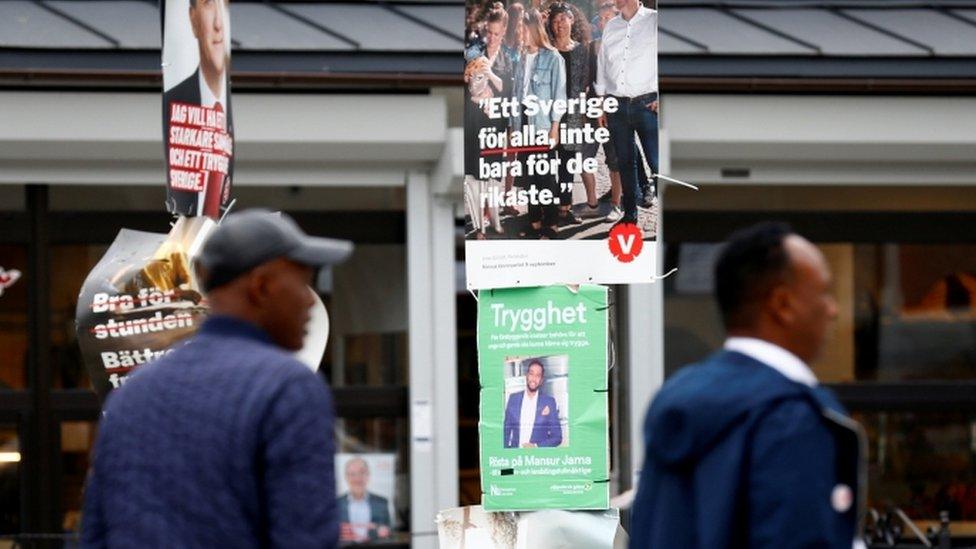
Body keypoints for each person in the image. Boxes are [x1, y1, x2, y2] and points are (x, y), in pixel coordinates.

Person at [81, 209, 353, 547]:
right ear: (262, 286)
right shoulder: (287, 388)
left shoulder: (133, 393)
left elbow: (95, 535)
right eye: (302, 283)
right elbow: (305, 538)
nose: (310, 302)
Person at [629, 222, 866, 549]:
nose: (833, 309)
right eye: (824, 292)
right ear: (782, 305)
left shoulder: (674, 397)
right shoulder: (790, 416)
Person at [163, 0, 233, 219]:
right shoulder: (176, 102)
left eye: (224, 5)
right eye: (209, 4)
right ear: (193, 19)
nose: (219, 23)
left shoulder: (225, 119)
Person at [595, 0, 658, 226]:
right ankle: (630, 214)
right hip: (616, 106)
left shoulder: (654, 20)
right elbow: (603, 64)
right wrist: (602, 102)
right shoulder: (612, 26)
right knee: (625, 162)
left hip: (647, 104)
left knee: (657, 162)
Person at [512, 8, 566, 239]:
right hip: (522, 120)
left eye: (522, 28)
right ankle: (534, 221)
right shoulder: (520, 57)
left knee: (544, 175)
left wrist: (554, 127)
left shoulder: (553, 57)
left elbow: (559, 96)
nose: (519, 33)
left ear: (533, 28)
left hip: (542, 123)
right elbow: (515, 94)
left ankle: (551, 224)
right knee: (528, 176)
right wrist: (512, 128)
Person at [546, 2, 602, 223]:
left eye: (563, 19)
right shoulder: (547, 47)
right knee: (547, 162)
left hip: (573, 114)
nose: (559, 24)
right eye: (555, 20)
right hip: (549, 114)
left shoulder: (581, 49)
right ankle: (547, 208)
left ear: (572, 20)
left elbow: (584, 83)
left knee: (567, 163)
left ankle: (564, 208)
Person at [503, 360, 563, 448]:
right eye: (531, 374)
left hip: (537, 457)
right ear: (527, 376)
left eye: (538, 375)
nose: (534, 378)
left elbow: (557, 437)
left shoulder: (549, 402)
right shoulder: (513, 399)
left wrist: (536, 446)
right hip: (515, 456)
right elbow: (505, 432)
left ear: (541, 380)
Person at [337, 457, 392, 543]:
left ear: (368, 475)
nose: (357, 478)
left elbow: (389, 533)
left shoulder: (381, 503)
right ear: (346, 477)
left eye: (362, 473)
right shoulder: (337, 504)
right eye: (352, 474)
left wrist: (383, 531)